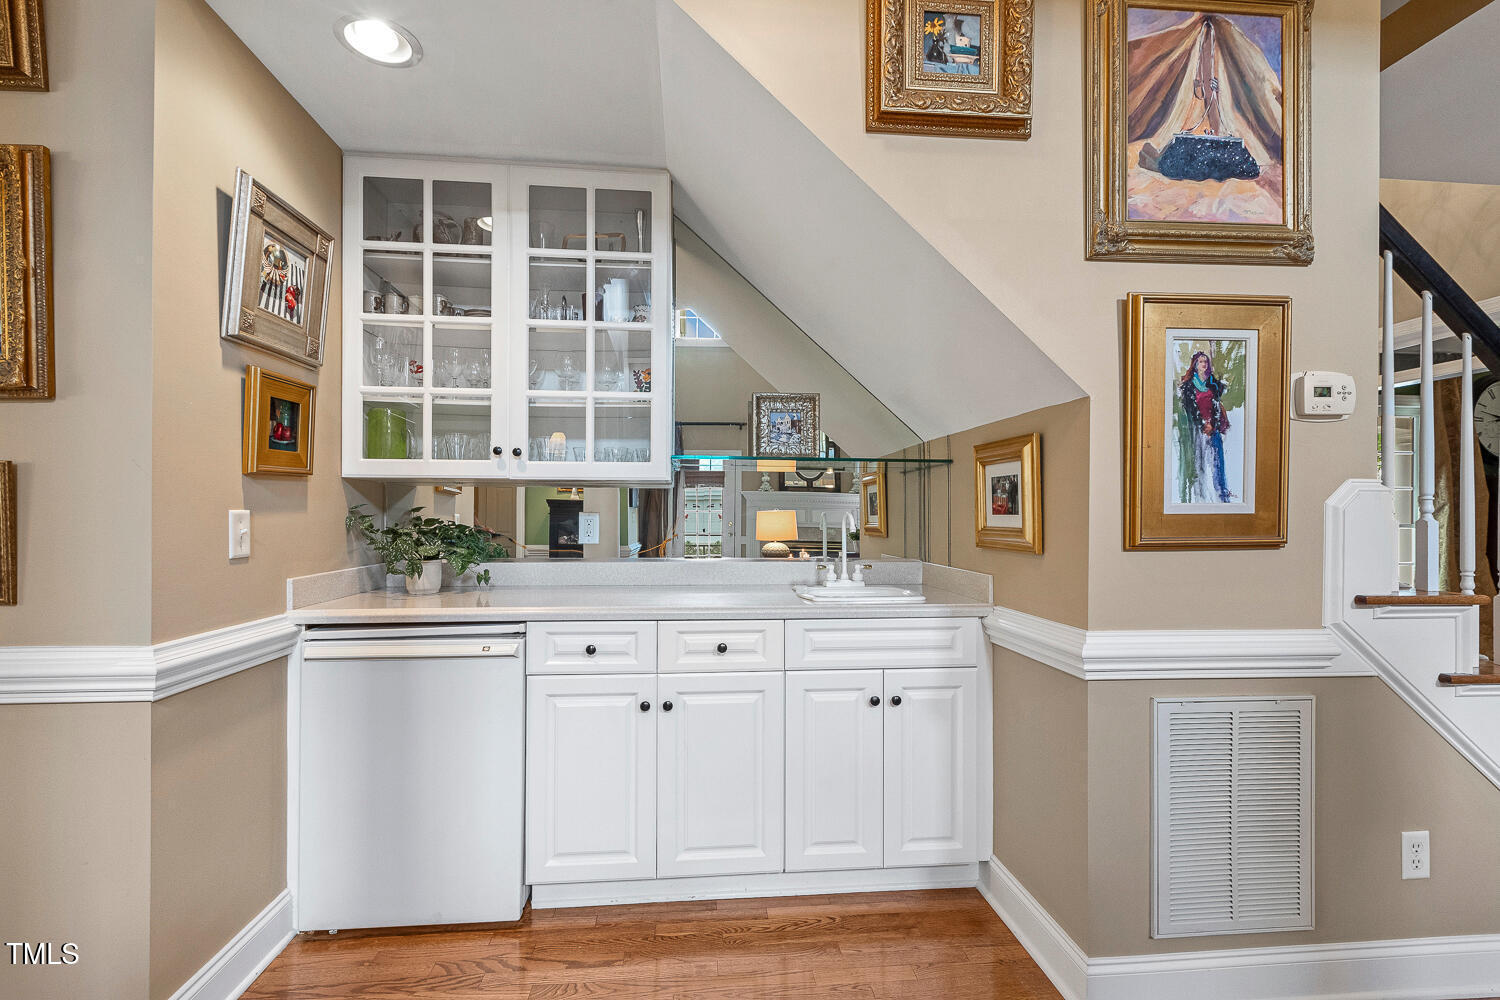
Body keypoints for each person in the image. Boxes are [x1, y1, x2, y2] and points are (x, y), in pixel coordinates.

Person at [1178, 351, 1234, 503]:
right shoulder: (1189, 386)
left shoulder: (1213, 383)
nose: (1204, 364)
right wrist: (1203, 424)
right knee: (1200, 464)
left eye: (1206, 362)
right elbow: (1190, 409)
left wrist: (1212, 425)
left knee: (1217, 464)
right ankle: (1201, 500)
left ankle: (1221, 498)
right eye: (1201, 361)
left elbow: (1217, 406)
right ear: (1195, 365)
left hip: (1213, 429)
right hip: (1197, 430)